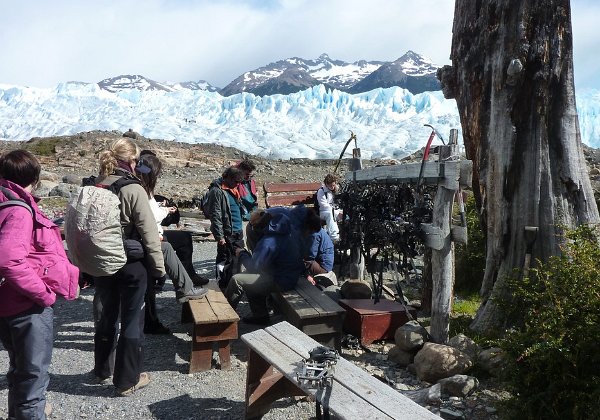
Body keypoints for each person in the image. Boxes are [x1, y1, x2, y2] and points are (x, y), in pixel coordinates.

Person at [0, 150, 79, 418]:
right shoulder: (18, 210)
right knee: (33, 376)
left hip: (8, 302)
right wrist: (43, 293)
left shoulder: (4, 199)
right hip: (24, 305)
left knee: (20, 370)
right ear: (34, 178)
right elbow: (9, 260)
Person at [92, 138, 166, 396]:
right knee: (133, 318)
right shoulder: (132, 189)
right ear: (132, 161)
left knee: (107, 316)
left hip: (102, 261)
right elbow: (148, 233)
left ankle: (102, 369)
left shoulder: (97, 183)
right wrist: (158, 270)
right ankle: (127, 379)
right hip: (130, 263)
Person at [136, 154, 208, 334]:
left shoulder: (141, 187)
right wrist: (164, 212)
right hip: (144, 238)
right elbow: (148, 216)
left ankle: (187, 280)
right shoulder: (139, 189)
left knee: (182, 240)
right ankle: (184, 288)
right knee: (165, 250)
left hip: (147, 235)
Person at [225, 209, 322, 325]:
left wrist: (242, 254)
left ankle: (224, 316)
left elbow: (254, 267)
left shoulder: (268, 241)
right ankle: (260, 316)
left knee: (237, 280)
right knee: (252, 280)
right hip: (291, 276)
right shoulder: (290, 233)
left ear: (258, 226)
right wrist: (305, 273)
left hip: (280, 280)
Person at [205, 166, 246, 288]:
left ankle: (234, 284)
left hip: (237, 230)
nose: (237, 184)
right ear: (227, 177)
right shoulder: (217, 191)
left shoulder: (233, 190)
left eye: (239, 182)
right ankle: (223, 285)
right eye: (235, 181)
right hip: (227, 233)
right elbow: (215, 214)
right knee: (225, 259)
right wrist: (219, 236)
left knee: (237, 259)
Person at [316, 173, 341, 241]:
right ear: (326, 184)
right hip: (323, 212)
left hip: (335, 210)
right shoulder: (321, 191)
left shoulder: (335, 190)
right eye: (330, 186)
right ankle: (334, 237)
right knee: (330, 214)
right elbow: (323, 205)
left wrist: (340, 211)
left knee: (346, 215)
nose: (332, 187)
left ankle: (344, 235)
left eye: (333, 185)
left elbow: (338, 202)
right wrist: (335, 212)